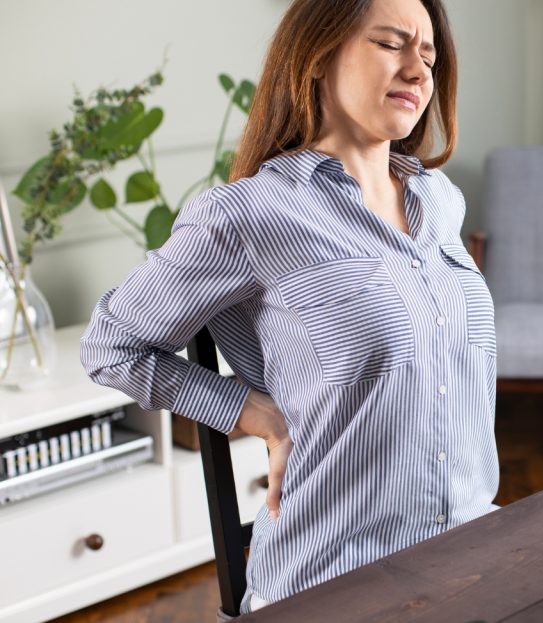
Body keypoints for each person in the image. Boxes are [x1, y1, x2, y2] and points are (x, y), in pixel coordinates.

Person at [80, 0, 499, 612]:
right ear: (316, 58)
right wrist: (251, 411)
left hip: (476, 549)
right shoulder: (250, 214)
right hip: (339, 577)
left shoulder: (440, 201)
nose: (418, 71)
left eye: (429, 55)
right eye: (391, 44)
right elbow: (109, 345)